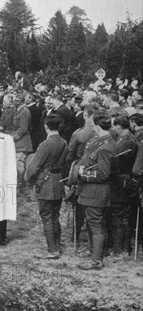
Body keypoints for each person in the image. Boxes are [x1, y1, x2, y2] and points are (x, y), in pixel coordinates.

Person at [75, 113, 116, 270]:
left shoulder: (105, 147)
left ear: (98, 127)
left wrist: (82, 174)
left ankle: (96, 260)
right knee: (94, 224)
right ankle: (95, 254)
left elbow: (103, 174)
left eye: (92, 124)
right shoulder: (104, 142)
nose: (91, 127)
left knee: (96, 225)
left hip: (95, 192)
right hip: (93, 192)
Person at [25, 114, 68, 259]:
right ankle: (56, 246)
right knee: (55, 215)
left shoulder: (45, 144)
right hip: (58, 180)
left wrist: (28, 179)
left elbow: (34, 167)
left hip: (45, 181)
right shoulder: (64, 142)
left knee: (46, 216)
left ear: (46, 127)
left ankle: (52, 249)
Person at [65, 104, 99, 250]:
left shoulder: (79, 133)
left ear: (86, 115)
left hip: (80, 170)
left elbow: (69, 155)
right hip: (98, 171)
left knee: (78, 205)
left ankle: (76, 236)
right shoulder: (103, 133)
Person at [108, 116, 138, 260]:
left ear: (119, 126)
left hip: (121, 182)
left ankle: (120, 250)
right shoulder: (131, 139)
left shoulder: (124, 142)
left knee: (118, 216)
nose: (112, 129)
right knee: (124, 215)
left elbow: (115, 163)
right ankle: (125, 249)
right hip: (126, 181)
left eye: (114, 126)